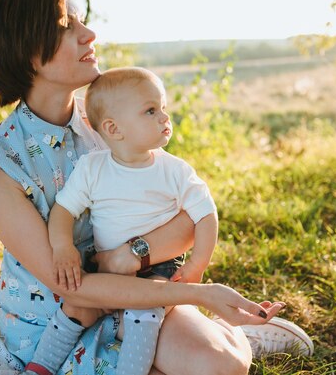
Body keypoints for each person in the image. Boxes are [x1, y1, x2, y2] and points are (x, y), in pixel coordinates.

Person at [0, 0, 312, 375]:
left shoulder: (110, 120)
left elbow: (185, 212)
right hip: (55, 325)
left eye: (81, 20)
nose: (89, 34)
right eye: (68, 25)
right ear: (28, 51)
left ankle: (238, 336)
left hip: (138, 297)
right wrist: (200, 293)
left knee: (221, 363)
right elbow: (70, 285)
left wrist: (133, 253)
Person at [37, 66, 219, 375]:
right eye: (150, 111)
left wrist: (198, 264)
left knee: (144, 312)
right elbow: (63, 210)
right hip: (107, 269)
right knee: (75, 308)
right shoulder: (92, 168)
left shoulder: (174, 171)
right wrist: (62, 246)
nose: (164, 117)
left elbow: (206, 214)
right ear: (113, 128)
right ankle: (37, 368)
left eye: (163, 108)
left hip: (158, 270)